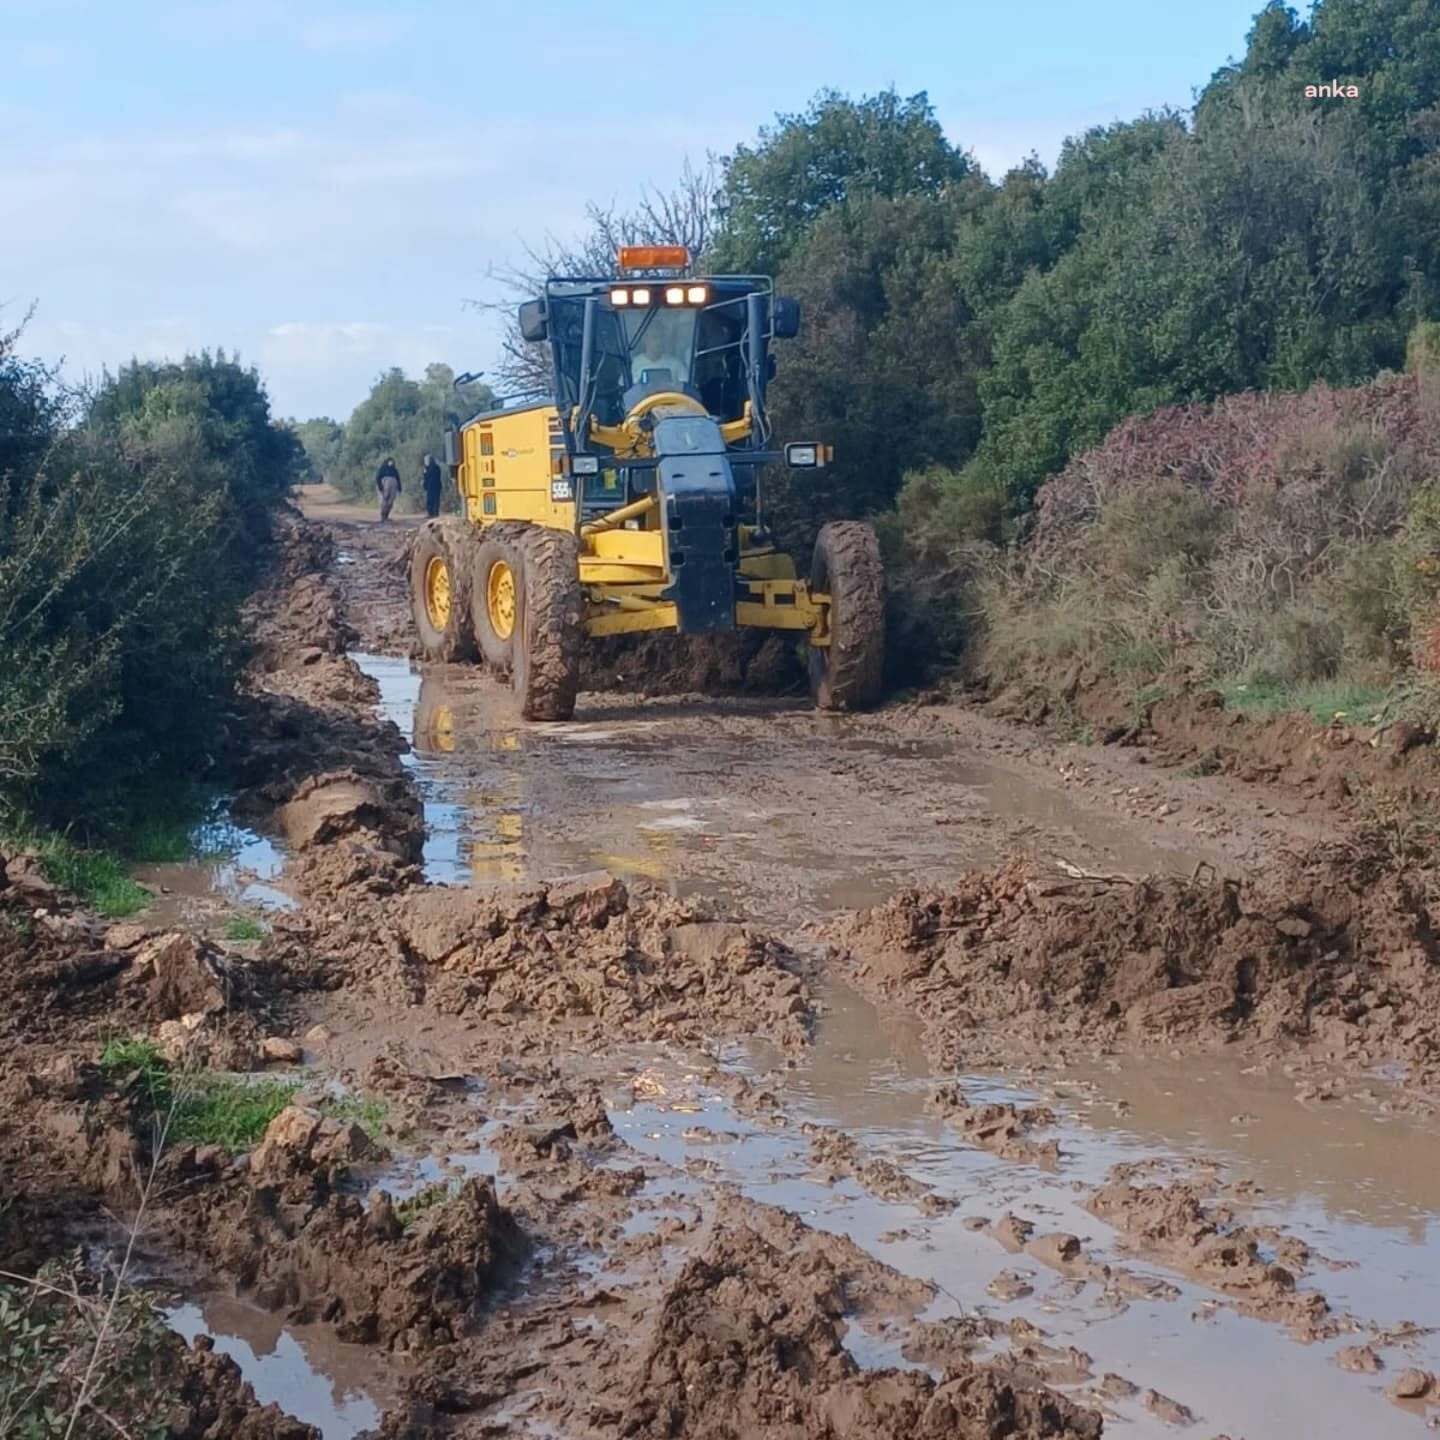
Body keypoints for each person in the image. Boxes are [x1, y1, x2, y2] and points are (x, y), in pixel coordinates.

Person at [374, 456, 401, 522]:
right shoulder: (382, 468)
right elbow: (378, 478)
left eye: (392, 461)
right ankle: (383, 516)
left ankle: (386, 516)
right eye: (390, 461)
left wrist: (399, 488)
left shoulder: (395, 470)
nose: (391, 462)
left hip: (393, 487)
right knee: (384, 501)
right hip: (384, 486)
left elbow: (398, 479)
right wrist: (380, 487)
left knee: (390, 502)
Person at [421, 452, 443, 519]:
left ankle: (431, 514)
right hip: (437, 486)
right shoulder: (437, 467)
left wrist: (425, 473)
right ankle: (435, 514)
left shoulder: (428, 468)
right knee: (436, 500)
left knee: (430, 500)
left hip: (431, 487)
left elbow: (426, 477)